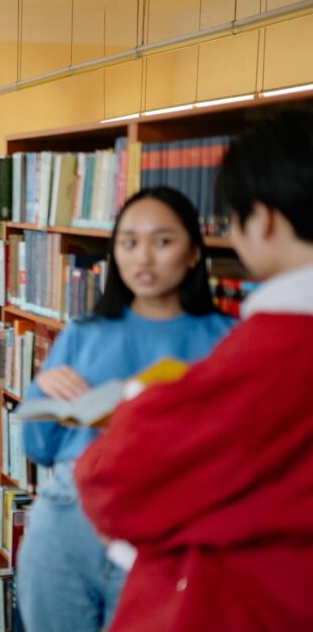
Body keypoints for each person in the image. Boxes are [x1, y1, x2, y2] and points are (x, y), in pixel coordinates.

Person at [75, 109, 313, 631]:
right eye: (129, 242)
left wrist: (140, 405)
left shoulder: (259, 351)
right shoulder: (86, 330)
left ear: (263, 219)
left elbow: (117, 483)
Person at [15, 187, 235, 632]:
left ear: (193, 252)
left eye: (162, 241)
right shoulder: (83, 331)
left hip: (168, 532)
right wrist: (41, 392)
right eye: (129, 243)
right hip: (67, 520)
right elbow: (37, 449)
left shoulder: (227, 340)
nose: (143, 259)